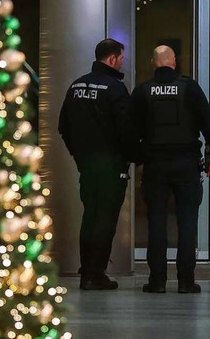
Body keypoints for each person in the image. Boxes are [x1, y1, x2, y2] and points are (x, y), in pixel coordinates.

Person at [130, 45, 210, 294]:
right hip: (186, 164)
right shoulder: (189, 88)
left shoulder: (142, 92)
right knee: (187, 222)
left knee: (156, 222)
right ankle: (186, 281)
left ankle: (157, 281)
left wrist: (140, 157)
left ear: (153, 62)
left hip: (155, 166)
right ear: (175, 62)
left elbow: (130, 132)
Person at [58, 38, 135, 290]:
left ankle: (87, 270)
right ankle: (95, 273)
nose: (121, 62)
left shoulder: (76, 86)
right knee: (105, 220)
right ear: (112, 59)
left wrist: (79, 156)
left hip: (87, 166)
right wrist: (130, 158)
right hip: (110, 166)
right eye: (121, 58)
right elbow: (126, 130)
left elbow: (64, 127)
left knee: (90, 217)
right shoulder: (114, 88)